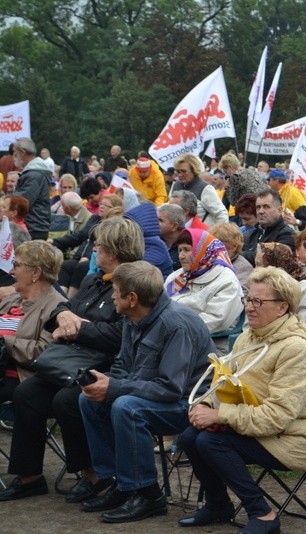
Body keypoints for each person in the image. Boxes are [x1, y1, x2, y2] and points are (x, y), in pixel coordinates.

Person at [0, 218, 143, 503]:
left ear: (113, 251)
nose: (93, 249)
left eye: (98, 245)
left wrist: (81, 328)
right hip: (73, 359)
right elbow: (67, 308)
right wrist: (63, 316)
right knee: (27, 392)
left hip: (109, 365)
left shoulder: (134, 282)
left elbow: (123, 334)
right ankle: (30, 477)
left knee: (67, 400)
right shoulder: (93, 280)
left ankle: (95, 475)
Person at [178, 267, 306, 533]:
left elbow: (277, 417)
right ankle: (218, 504)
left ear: (282, 308)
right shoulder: (249, 336)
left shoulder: (295, 349)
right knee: (190, 436)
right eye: (248, 299)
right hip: (255, 427)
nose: (249, 307)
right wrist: (208, 404)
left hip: (290, 438)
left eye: (258, 301)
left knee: (211, 442)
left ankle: (263, 514)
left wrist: (221, 416)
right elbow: (225, 381)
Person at [77, 261, 215, 523]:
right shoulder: (132, 317)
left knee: (126, 406)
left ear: (132, 298)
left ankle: (148, 494)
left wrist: (116, 388)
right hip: (152, 396)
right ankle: (118, 482)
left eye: (116, 291)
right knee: (89, 400)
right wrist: (107, 381)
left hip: (191, 404)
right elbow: (122, 364)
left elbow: (171, 389)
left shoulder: (176, 324)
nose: (112, 295)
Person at [0, 241, 67, 403]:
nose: (11, 271)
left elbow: (42, 353)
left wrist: (4, 341)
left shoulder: (57, 307)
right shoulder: (12, 300)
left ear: (36, 273)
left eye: (16, 265)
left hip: (18, 376)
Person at [164, 228, 244, 334]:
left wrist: (171, 326)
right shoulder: (177, 276)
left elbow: (216, 321)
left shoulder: (227, 281)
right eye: (180, 250)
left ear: (203, 250)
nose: (181, 256)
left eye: (187, 250)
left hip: (210, 343)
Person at [255, 242, 306, 340]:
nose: (254, 270)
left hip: (297, 347)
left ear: (275, 266)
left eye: (258, 265)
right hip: (262, 346)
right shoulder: (259, 290)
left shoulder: (305, 289)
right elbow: (249, 327)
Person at [170, 154, 228, 227]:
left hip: (200, 235)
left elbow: (221, 214)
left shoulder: (205, 188)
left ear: (194, 171)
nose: (180, 175)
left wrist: (213, 235)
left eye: (183, 171)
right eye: (178, 172)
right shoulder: (176, 185)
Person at [242, 189, 297, 265]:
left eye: (266, 207)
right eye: (258, 207)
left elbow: (267, 258)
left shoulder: (287, 234)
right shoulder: (251, 234)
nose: (261, 211)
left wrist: (240, 255)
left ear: (280, 210)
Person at [11, 137, 51, 240]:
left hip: (32, 229)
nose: (13, 157)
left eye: (14, 153)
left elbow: (20, 202)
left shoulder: (34, 175)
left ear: (22, 152)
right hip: (34, 227)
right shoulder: (34, 173)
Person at [209, 222, 253, 290]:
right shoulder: (208, 263)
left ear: (234, 246)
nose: (214, 249)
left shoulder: (243, 268)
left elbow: (241, 293)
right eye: (212, 244)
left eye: (219, 245)